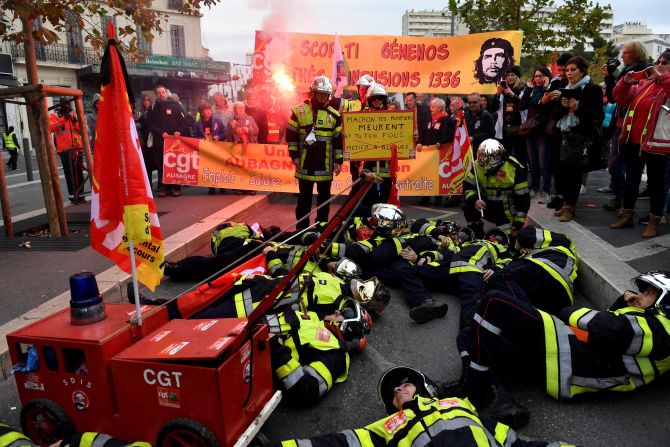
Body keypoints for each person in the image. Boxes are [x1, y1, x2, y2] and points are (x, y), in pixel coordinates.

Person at [460, 271, 670, 422]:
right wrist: (621, 303)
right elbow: (612, 328)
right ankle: (498, 395)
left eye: (648, 293)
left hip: (569, 359)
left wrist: (568, 312)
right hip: (566, 352)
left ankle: (476, 388)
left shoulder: (661, 327)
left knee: (495, 302)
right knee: (470, 331)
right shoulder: (648, 322)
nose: (639, 294)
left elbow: (604, 326)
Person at [272, 366, 574, 446]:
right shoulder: (392, 425)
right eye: (393, 391)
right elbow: (339, 443)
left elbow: (514, 444)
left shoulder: (461, 405)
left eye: (405, 382)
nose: (397, 388)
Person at [610, 50, 670, 238]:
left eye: (664, 62)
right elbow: (620, 98)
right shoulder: (646, 83)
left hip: (656, 143)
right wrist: (625, 83)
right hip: (633, 140)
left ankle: (654, 220)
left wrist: (661, 77)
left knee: (655, 184)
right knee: (631, 181)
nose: (658, 65)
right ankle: (626, 215)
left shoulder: (664, 84)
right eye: (658, 61)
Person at [287, 75, 342, 231]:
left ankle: (321, 229)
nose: (323, 96)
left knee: (324, 200)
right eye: (320, 93)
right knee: (304, 199)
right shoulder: (299, 111)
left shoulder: (334, 115)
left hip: (325, 165)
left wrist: (338, 161)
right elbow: (291, 136)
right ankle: (302, 229)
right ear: (313, 92)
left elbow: (338, 140)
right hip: (305, 164)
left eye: (326, 94)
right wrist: (295, 156)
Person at [601, 42, 652, 211]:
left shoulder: (644, 72)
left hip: (632, 126)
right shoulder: (626, 71)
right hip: (620, 122)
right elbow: (614, 97)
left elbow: (629, 98)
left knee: (621, 166)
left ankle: (624, 201)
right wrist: (609, 77)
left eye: (626, 53)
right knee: (617, 165)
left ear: (637, 54)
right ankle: (621, 199)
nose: (622, 56)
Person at [552, 56, 603, 223]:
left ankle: (570, 207)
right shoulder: (565, 89)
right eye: (567, 70)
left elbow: (597, 115)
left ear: (582, 71)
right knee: (562, 172)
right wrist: (564, 106)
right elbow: (555, 115)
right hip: (563, 136)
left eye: (573, 69)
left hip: (580, 137)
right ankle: (565, 202)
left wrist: (578, 108)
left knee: (574, 173)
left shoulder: (592, 89)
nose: (569, 73)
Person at [463, 139, 529, 239]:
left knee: (505, 240)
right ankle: (477, 231)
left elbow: (523, 198)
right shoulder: (477, 165)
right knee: (467, 205)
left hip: (506, 208)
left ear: (498, 157)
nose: (485, 168)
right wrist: (475, 200)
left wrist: (518, 223)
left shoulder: (514, 167)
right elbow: (468, 186)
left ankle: (509, 231)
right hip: (486, 204)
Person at [145, 85, 189, 197]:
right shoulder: (153, 109)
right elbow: (149, 125)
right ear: (156, 95)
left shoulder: (175, 107)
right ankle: (165, 188)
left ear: (166, 93)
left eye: (163, 92)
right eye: (158, 93)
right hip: (160, 142)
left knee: (175, 164)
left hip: (175, 142)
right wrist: (161, 133)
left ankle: (176, 188)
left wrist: (179, 131)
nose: (161, 94)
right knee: (163, 165)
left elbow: (184, 122)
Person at [543, 53, 572, 211]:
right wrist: (545, 100)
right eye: (560, 70)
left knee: (568, 166)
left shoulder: (579, 84)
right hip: (555, 129)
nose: (563, 73)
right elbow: (545, 104)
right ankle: (559, 195)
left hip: (571, 132)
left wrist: (563, 100)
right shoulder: (555, 82)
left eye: (565, 70)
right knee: (555, 164)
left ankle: (568, 200)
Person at [519, 67, 552, 201]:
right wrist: (528, 88)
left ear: (546, 77)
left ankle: (546, 190)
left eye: (541, 76)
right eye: (536, 76)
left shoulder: (549, 91)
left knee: (544, 163)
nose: (538, 79)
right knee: (533, 163)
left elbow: (544, 108)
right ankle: (535, 187)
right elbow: (521, 106)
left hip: (543, 132)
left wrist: (545, 89)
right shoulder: (531, 92)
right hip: (531, 131)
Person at [417, 98, 456, 206]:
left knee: (437, 175)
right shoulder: (430, 118)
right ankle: (425, 197)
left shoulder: (446, 119)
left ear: (439, 108)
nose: (430, 109)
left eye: (433, 107)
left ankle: (438, 198)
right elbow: (423, 132)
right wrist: (420, 142)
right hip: (427, 152)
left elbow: (449, 134)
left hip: (439, 152)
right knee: (427, 174)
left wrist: (441, 142)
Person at [49, 98, 86, 203]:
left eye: (69, 104)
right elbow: (52, 128)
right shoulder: (55, 115)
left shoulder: (74, 115)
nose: (67, 107)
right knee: (70, 174)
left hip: (77, 148)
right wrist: (65, 118)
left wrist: (75, 122)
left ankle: (81, 195)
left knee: (79, 172)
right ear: (60, 105)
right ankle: (73, 196)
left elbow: (82, 131)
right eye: (65, 105)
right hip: (65, 150)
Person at [492, 66, 526, 166]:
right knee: (506, 156)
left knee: (520, 157)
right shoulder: (502, 92)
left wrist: (512, 94)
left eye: (513, 75)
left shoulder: (522, 89)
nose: (510, 77)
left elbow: (523, 106)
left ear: (517, 77)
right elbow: (493, 108)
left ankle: (520, 179)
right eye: (508, 75)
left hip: (519, 128)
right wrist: (497, 94)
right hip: (505, 129)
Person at [137, 94, 158, 189]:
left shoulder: (153, 112)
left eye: (148, 100)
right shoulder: (140, 113)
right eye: (144, 100)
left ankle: (160, 184)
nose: (146, 102)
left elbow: (149, 126)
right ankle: (148, 183)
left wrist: (141, 120)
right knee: (146, 164)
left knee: (155, 162)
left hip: (153, 140)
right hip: (143, 141)